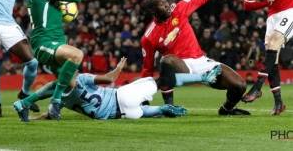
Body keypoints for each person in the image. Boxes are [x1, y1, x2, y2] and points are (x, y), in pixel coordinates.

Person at [141, 0, 250, 116]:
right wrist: (144, 99)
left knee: (240, 85)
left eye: (165, 1)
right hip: (181, 66)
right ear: (153, 11)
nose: (166, 5)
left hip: (201, 61)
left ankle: (226, 109)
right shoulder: (149, 36)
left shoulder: (179, 9)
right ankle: (169, 108)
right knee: (167, 59)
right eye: (161, 4)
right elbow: (147, 70)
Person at [13, 0, 100, 120]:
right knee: (77, 55)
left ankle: (24, 103)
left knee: (70, 84)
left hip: (55, 41)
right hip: (44, 42)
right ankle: (56, 102)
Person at [15, 57, 212, 122]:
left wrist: (33, 118)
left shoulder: (58, 97)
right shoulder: (82, 78)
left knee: (142, 112)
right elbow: (109, 78)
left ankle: (161, 110)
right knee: (163, 80)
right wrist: (118, 68)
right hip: (122, 95)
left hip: (119, 115)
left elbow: (48, 114)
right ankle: (203, 77)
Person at [241, 0, 293, 115]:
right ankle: (279, 104)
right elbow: (246, 4)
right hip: (273, 15)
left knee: (273, 42)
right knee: (273, 58)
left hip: (290, 9)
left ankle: (256, 87)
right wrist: (265, 2)